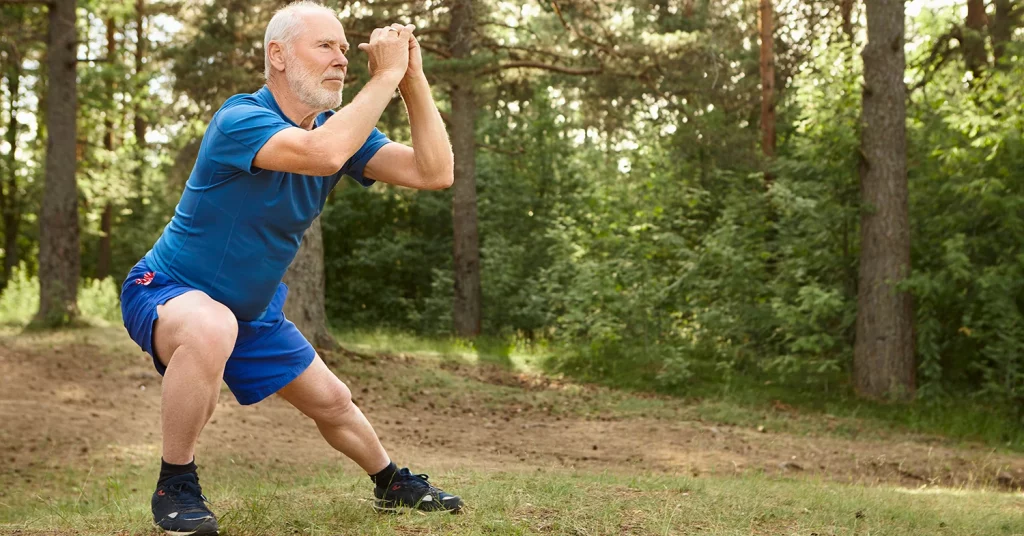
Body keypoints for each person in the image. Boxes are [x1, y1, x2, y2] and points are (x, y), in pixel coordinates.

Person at [119, 2, 462, 534]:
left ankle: (392, 483)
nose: (343, 58)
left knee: (334, 401)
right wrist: (386, 74)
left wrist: (411, 80)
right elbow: (321, 153)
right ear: (277, 55)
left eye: (346, 47)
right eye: (325, 45)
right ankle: (176, 482)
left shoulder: (339, 133)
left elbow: (435, 171)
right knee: (212, 326)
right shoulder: (241, 119)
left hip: (251, 313)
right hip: (166, 289)